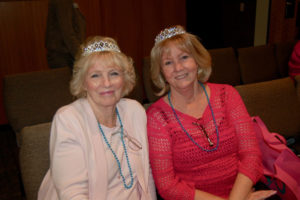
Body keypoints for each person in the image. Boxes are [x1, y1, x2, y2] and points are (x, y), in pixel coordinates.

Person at [146, 25, 277, 200]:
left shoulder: (227, 94)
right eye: (168, 62)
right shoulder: (157, 116)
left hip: (242, 192)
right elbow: (167, 186)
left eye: (184, 57)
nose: (178, 67)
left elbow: (251, 156)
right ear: (161, 71)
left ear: (197, 60)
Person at [38, 36, 157, 200]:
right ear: (83, 82)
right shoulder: (69, 119)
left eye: (113, 73)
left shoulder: (135, 111)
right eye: (95, 75)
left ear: (125, 78)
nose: (106, 83)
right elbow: (72, 194)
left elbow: (146, 173)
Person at [45, 0, 86, 69]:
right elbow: (68, 33)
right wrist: (81, 56)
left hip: (68, 55)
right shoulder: (63, 2)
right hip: (64, 56)